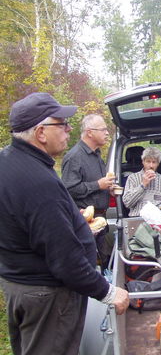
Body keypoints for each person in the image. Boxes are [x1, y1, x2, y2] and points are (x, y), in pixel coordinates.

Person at [0, 93, 129, 355]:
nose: (69, 129)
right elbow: (64, 257)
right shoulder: (38, 180)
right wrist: (106, 291)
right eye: (62, 124)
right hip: (47, 296)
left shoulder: (8, 161)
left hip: (19, 286)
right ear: (41, 132)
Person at [61, 114, 114, 266]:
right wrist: (98, 185)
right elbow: (68, 189)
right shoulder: (74, 157)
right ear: (90, 132)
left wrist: (108, 189)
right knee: (88, 265)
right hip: (84, 223)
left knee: (103, 263)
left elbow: (97, 185)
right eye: (103, 129)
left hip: (100, 222)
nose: (107, 133)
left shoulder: (97, 154)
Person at [123, 147, 161, 216]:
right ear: (143, 162)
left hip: (158, 220)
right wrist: (143, 185)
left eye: (154, 162)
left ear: (158, 164)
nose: (151, 166)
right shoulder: (133, 178)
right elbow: (127, 203)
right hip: (138, 218)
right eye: (148, 162)